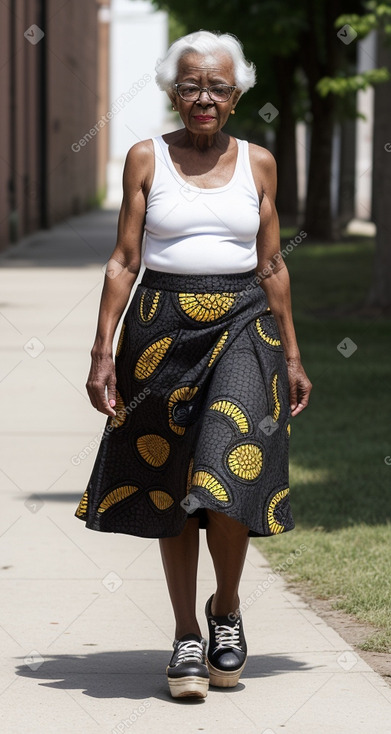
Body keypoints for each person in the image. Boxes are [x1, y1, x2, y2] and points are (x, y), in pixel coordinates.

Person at [74, 29, 312, 700]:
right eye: (189, 86)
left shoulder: (258, 162)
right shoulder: (146, 158)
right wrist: (101, 351)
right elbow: (124, 259)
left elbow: (270, 263)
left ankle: (225, 611)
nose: (202, 97)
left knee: (226, 464)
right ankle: (185, 634)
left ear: (236, 94)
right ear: (170, 92)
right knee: (170, 479)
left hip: (241, 323)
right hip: (159, 329)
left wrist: (292, 353)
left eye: (215, 86)